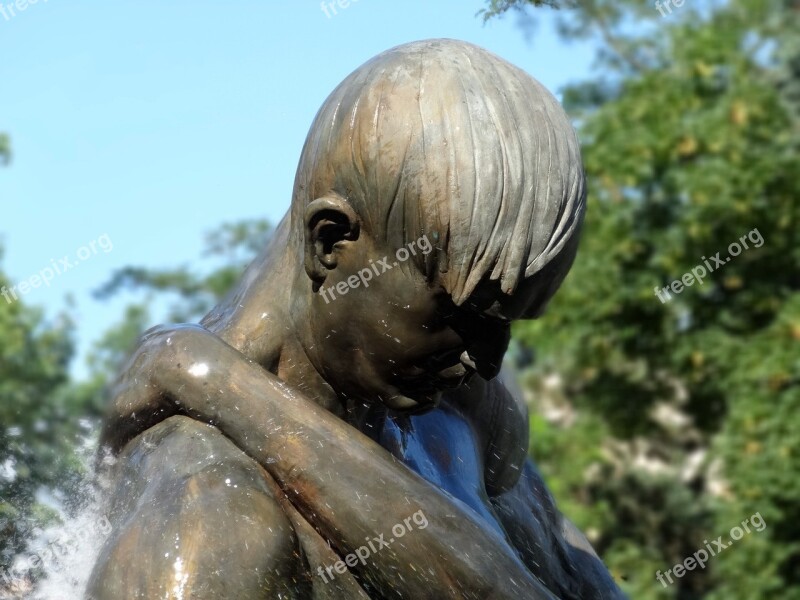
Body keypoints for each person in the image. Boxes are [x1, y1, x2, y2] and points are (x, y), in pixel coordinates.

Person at [88, 39, 626, 599]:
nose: (489, 363)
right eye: (462, 314)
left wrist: (213, 380)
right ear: (330, 242)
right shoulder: (210, 522)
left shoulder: (457, 419)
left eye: (505, 322)